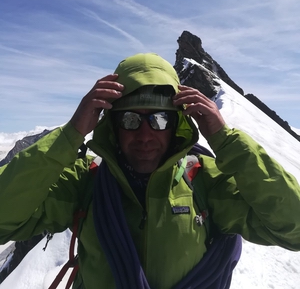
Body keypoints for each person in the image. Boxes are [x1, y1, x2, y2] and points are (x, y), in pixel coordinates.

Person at [0, 52, 299, 289]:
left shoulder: (206, 181)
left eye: (160, 120)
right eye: (130, 120)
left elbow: (293, 227)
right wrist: (70, 135)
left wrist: (226, 139)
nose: (145, 135)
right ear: (113, 127)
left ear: (177, 125)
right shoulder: (84, 181)